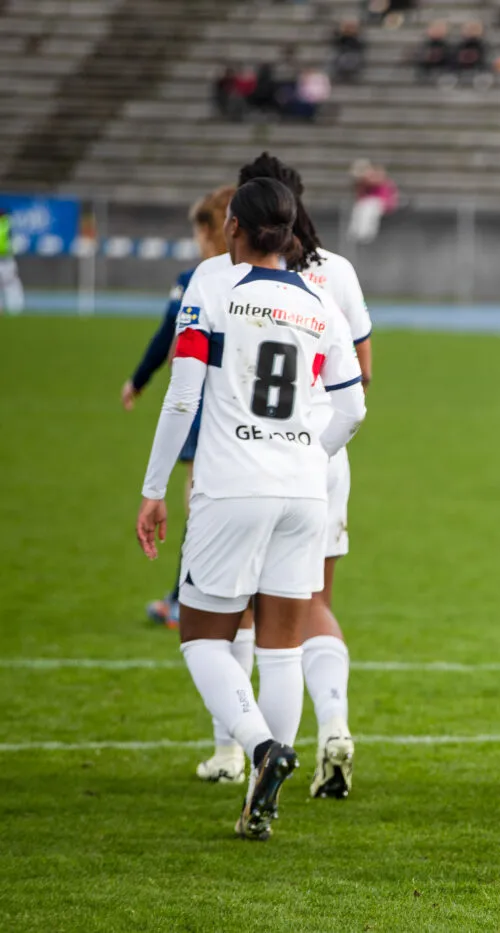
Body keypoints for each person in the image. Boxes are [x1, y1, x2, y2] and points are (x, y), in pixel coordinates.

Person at [136, 177, 367, 840]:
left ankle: (262, 748)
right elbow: (353, 407)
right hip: (304, 489)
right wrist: (303, 452)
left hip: (231, 484)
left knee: (203, 636)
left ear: (234, 225)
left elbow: (182, 397)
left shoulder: (212, 284)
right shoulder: (320, 302)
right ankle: (261, 806)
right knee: (283, 647)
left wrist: (154, 489)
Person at [123, 184, 236, 632]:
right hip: (248, 410)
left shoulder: (197, 280)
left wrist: (138, 379)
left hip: (203, 400)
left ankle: (184, 596)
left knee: (198, 500)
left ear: (211, 230)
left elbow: (165, 333)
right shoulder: (261, 279)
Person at [0, 207, 24, 314]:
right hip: (6, 259)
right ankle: (16, 309)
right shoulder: (7, 224)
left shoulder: (7, 224)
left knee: (8, 284)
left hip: (5, 258)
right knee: (11, 284)